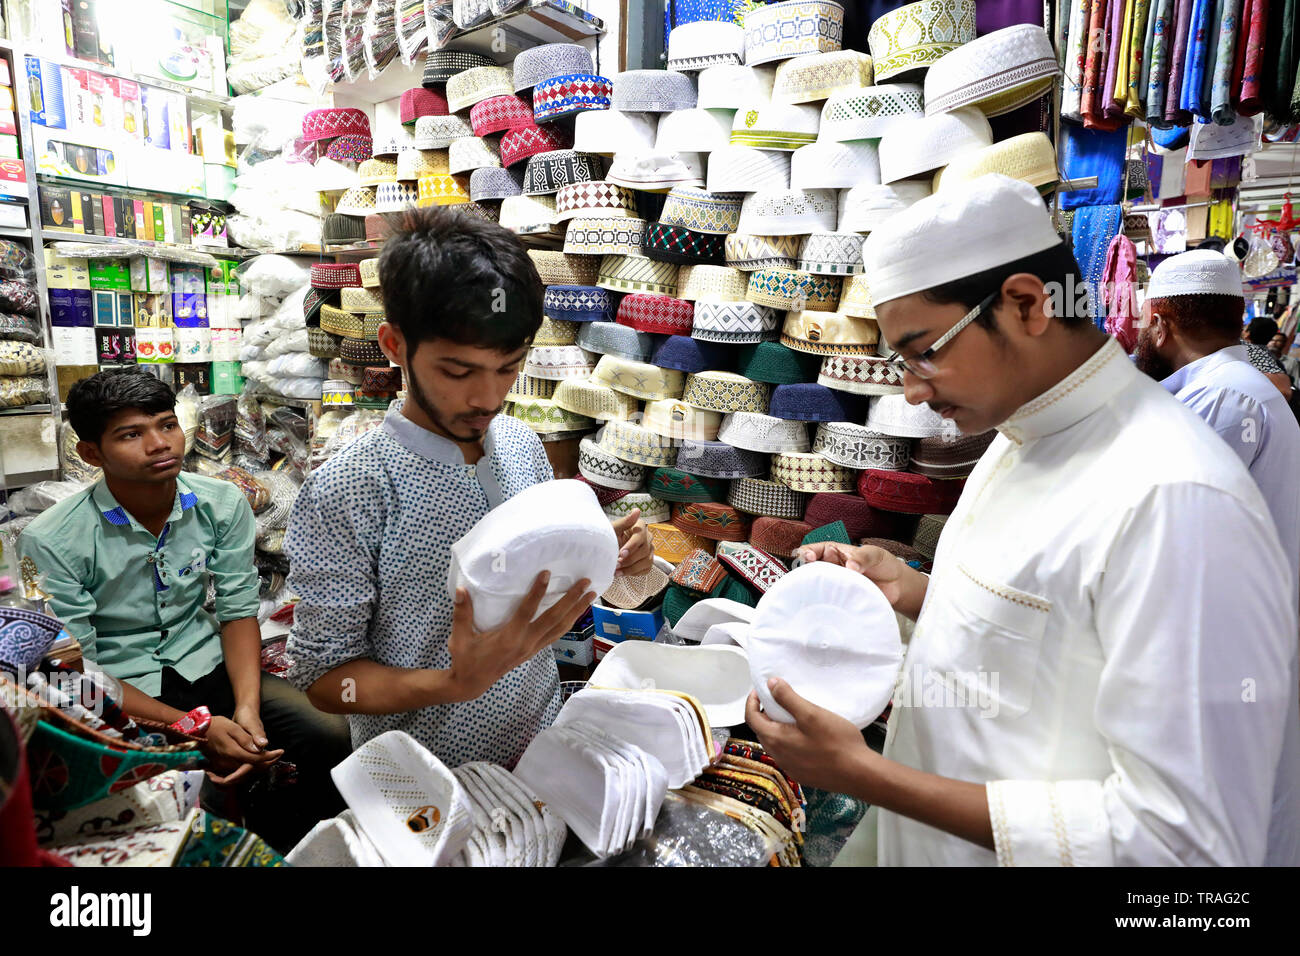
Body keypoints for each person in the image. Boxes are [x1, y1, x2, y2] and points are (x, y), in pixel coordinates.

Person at [745, 175, 1300, 866]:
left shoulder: (1175, 499)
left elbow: (1182, 846)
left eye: (924, 352)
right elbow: (1048, 631)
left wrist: (864, 776)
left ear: (1026, 304)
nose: (913, 391)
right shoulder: (1021, 435)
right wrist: (911, 590)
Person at [284, 206, 654, 769]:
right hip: (422, 784)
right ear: (394, 345)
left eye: (508, 367)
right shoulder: (348, 490)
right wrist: (452, 682)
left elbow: (529, 586)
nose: (487, 397)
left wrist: (604, 556)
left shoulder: (520, 444)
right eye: (458, 372)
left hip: (540, 757)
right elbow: (326, 682)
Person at [18, 370, 350, 851]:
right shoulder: (51, 539)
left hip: (204, 662)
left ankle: (289, 847)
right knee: (193, 792)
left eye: (166, 425)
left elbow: (237, 611)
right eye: (132, 434)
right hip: (119, 686)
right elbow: (79, 669)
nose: (159, 444)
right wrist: (192, 727)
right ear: (91, 453)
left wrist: (247, 708)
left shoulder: (220, 502)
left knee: (325, 731)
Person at [1133, 248, 1300, 600]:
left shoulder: (1223, 397)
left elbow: (1164, 526)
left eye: (1145, 324)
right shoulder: (1235, 386)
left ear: (1160, 326)